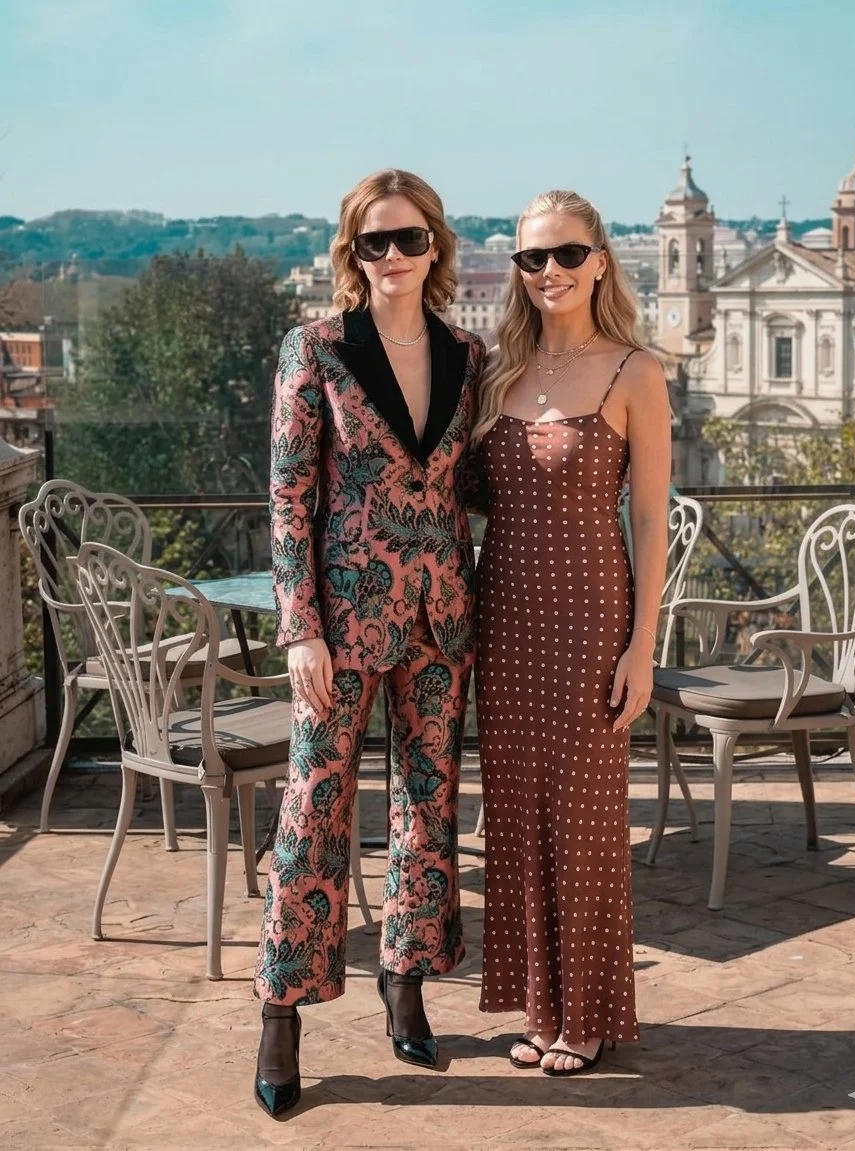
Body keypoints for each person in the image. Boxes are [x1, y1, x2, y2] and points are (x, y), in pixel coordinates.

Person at [253, 169, 486, 1117]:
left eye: (410, 239)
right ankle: (281, 1009)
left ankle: (408, 980)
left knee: (429, 809)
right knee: (315, 805)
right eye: (374, 242)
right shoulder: (314, 347)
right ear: (352, 253)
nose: (393, 256)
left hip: (441, 618)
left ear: (437, 246)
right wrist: (299, 626)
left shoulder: (469, 354)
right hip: (341, 623)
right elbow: (287, 497)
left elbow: (468, 483)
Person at [472, 189, 671, 1076]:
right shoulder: (498, 374)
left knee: (586, 817)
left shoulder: (636, 372)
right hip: (503, 618)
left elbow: (653, 522)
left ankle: (585, 1012)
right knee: (516, 815)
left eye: (564, 254)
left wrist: (644, 645)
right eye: (531, 258)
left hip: (593, 620)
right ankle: (541, 1005)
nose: (548, 271)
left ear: (599, 260)